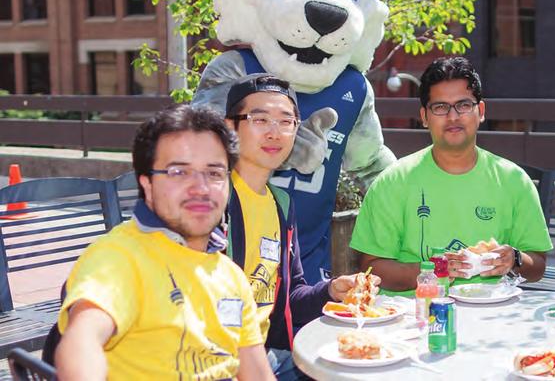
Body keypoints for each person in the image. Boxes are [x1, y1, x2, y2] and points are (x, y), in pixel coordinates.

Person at [55, 104, 274, 380]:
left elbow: (258, 374)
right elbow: (82, 342)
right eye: (179, 172)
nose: (201, 187)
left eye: (215, 173)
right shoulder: (119, 257)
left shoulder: (231, 276)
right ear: (146, 184)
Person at [349, 56, 553, 293]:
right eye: (440, 107)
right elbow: (372, 268)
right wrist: (433, 270)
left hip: (490, 315)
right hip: (413, 317)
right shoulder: (393, 181)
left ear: (481, 111)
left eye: (464, 105)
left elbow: (537, 267)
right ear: (424, 117)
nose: (453, 116)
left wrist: (515, 258)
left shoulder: (513, 180)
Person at [223, 74, 380, 378]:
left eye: (286, 121)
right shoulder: (213, 201)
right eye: (259, 119)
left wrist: (331, 290)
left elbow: (291, 297)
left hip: (271, 353)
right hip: (222, 359)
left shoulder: (281, 203)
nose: (274, 133)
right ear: (230, 126)